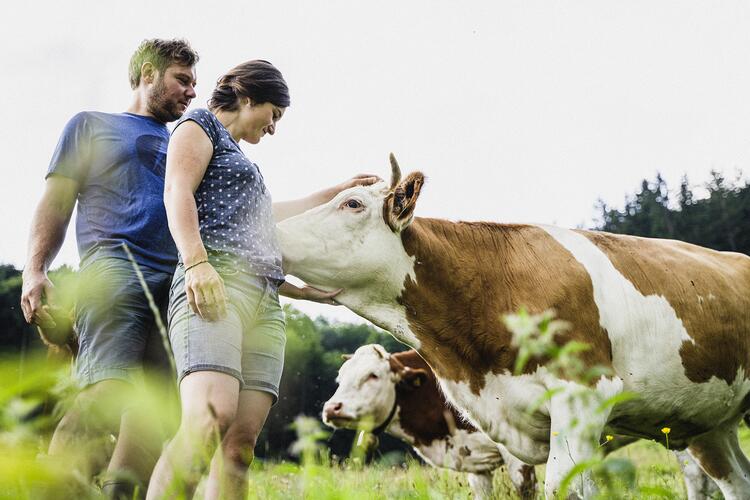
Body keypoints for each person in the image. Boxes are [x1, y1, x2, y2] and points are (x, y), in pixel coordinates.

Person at [145, 60, 378, 499]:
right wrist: (196, 264)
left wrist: (334, 195)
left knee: (239, 447)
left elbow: (264, 221)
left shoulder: (243, 164)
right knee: (207, 421)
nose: (273, 128)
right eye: (275, 114)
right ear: (249, 97)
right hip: (215, 288)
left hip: (266, 304)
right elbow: (177, 191)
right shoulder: (199, 127)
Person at [20, 38, 199, 498]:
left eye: (194, 83)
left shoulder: (190, 141)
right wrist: (35, 269)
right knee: (104, 391)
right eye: (182, 79)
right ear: (146, 73)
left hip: (179, 285)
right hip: (116, 270)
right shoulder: (91, 126)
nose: (192, 92)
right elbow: (56, 201)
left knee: (158, 410)